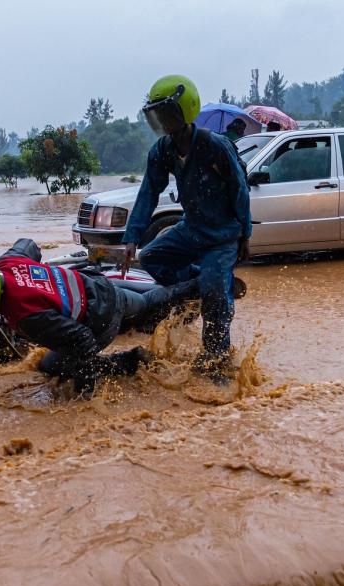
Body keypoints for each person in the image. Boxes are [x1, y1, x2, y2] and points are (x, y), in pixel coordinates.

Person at [0, 240, 190, 398]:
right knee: (148, 303)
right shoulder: (7, 262)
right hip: (105, 290)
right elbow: (28, 243)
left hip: (101, 323)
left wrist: (83, 394)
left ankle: (129, 361)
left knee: (50, 365)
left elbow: (83, 342)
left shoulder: (25, 316)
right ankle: (205, 288)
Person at [123, 74, 252, 377]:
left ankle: (216, 359)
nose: (164, 121)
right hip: (191, 229)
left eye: (168, 113)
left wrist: (245, 234)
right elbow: (147, 193)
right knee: (151, 258)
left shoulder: (214, 146)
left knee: (216, 300)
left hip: (221, 237)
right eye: (159, 115)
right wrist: (132, 237)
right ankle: (203, 282)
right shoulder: (162, 151)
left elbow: (240, 190)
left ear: (186, 110)